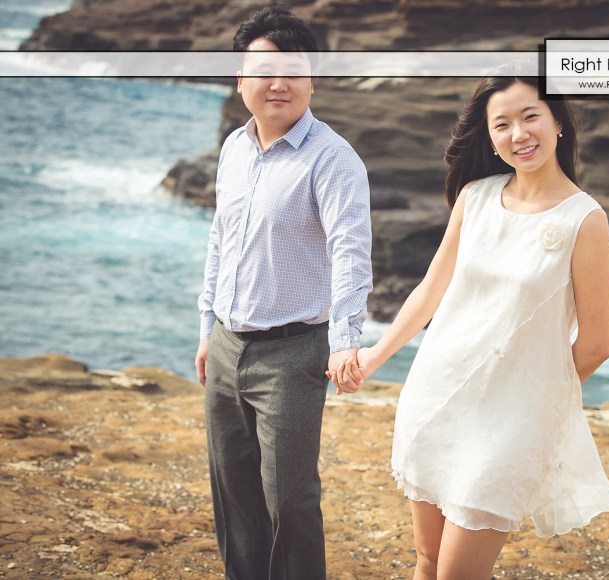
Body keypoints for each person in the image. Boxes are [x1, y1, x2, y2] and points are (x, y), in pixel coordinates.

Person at [331, 70, 609, 578]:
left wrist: (530, 400)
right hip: (437, 394)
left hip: (510, 423)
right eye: (502, 124)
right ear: (490, 137)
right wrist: (374, 357)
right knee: (426, 561)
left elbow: (596, 345)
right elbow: (430, 291)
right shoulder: (476, 197)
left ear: (558, 122)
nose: (519, 134)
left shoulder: (585, 222)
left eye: (530, 116)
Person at [194, 5, 372, 579]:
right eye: (264, 70)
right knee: (234, 495)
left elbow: (350, 252)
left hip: (293, 353)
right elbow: (221, 243)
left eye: (293, 69)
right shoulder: (233, 149)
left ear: (311, 78)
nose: (279, 83)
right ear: (240, 80)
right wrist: (207, 330)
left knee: (289, 501)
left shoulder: (333, 159)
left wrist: (346, 341)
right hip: (226, 346)